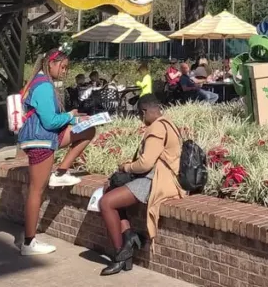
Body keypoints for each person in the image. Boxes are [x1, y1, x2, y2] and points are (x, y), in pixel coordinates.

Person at [16, 49, 97, 256]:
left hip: (44, 136)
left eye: (67, 67)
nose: (65, 70)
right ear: (50, 64)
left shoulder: (38, 82)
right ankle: (28, 243)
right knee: (37, 191)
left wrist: (75, 120)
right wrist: (70, 116)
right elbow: (50, 121)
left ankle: (61, 172)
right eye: (63, 66)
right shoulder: (43, 86)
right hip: (41, 139)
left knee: (88, 130)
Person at [97, 93, 185, 275]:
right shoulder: (167, 123)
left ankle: (120, 254)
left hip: (157, 180)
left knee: (106, 203)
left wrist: (126, 167)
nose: (139, 119)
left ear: (144, 111)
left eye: (139, 114)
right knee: (111, 189)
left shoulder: (156, 128)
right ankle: (128, 238)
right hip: (158, 176)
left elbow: (145, 163)